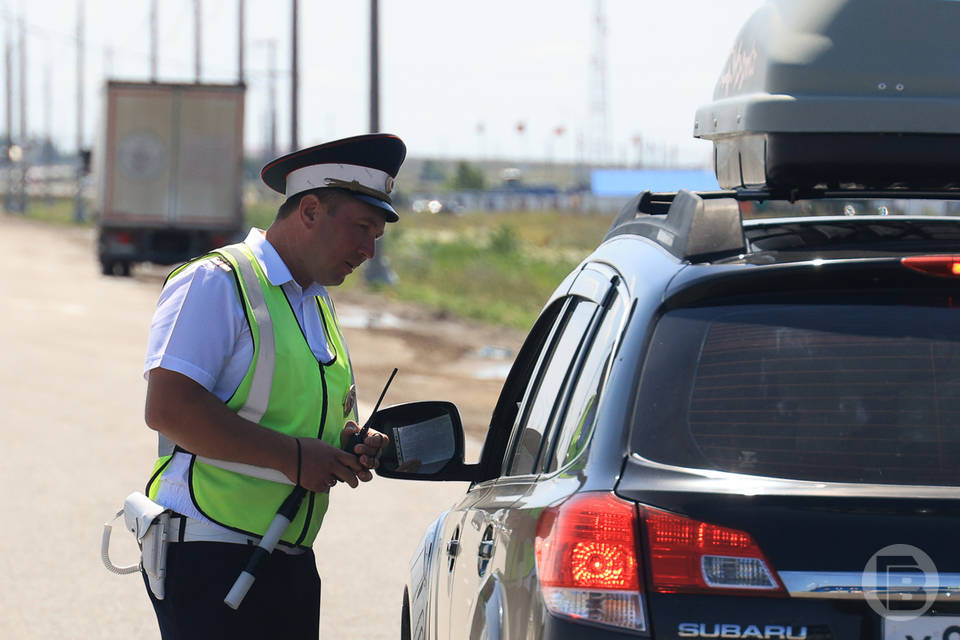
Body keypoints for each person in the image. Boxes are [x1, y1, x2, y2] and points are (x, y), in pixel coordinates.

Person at [140, 133, 406, 638]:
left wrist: (346, 443)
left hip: (284, 556)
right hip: (211, 555)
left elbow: (293, 411)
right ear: (309, 210)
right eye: (361, 227)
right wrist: (292, 456)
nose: (369, 250)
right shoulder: (218, 281)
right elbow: (169, 408)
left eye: (377, 235)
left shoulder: (315, 302)